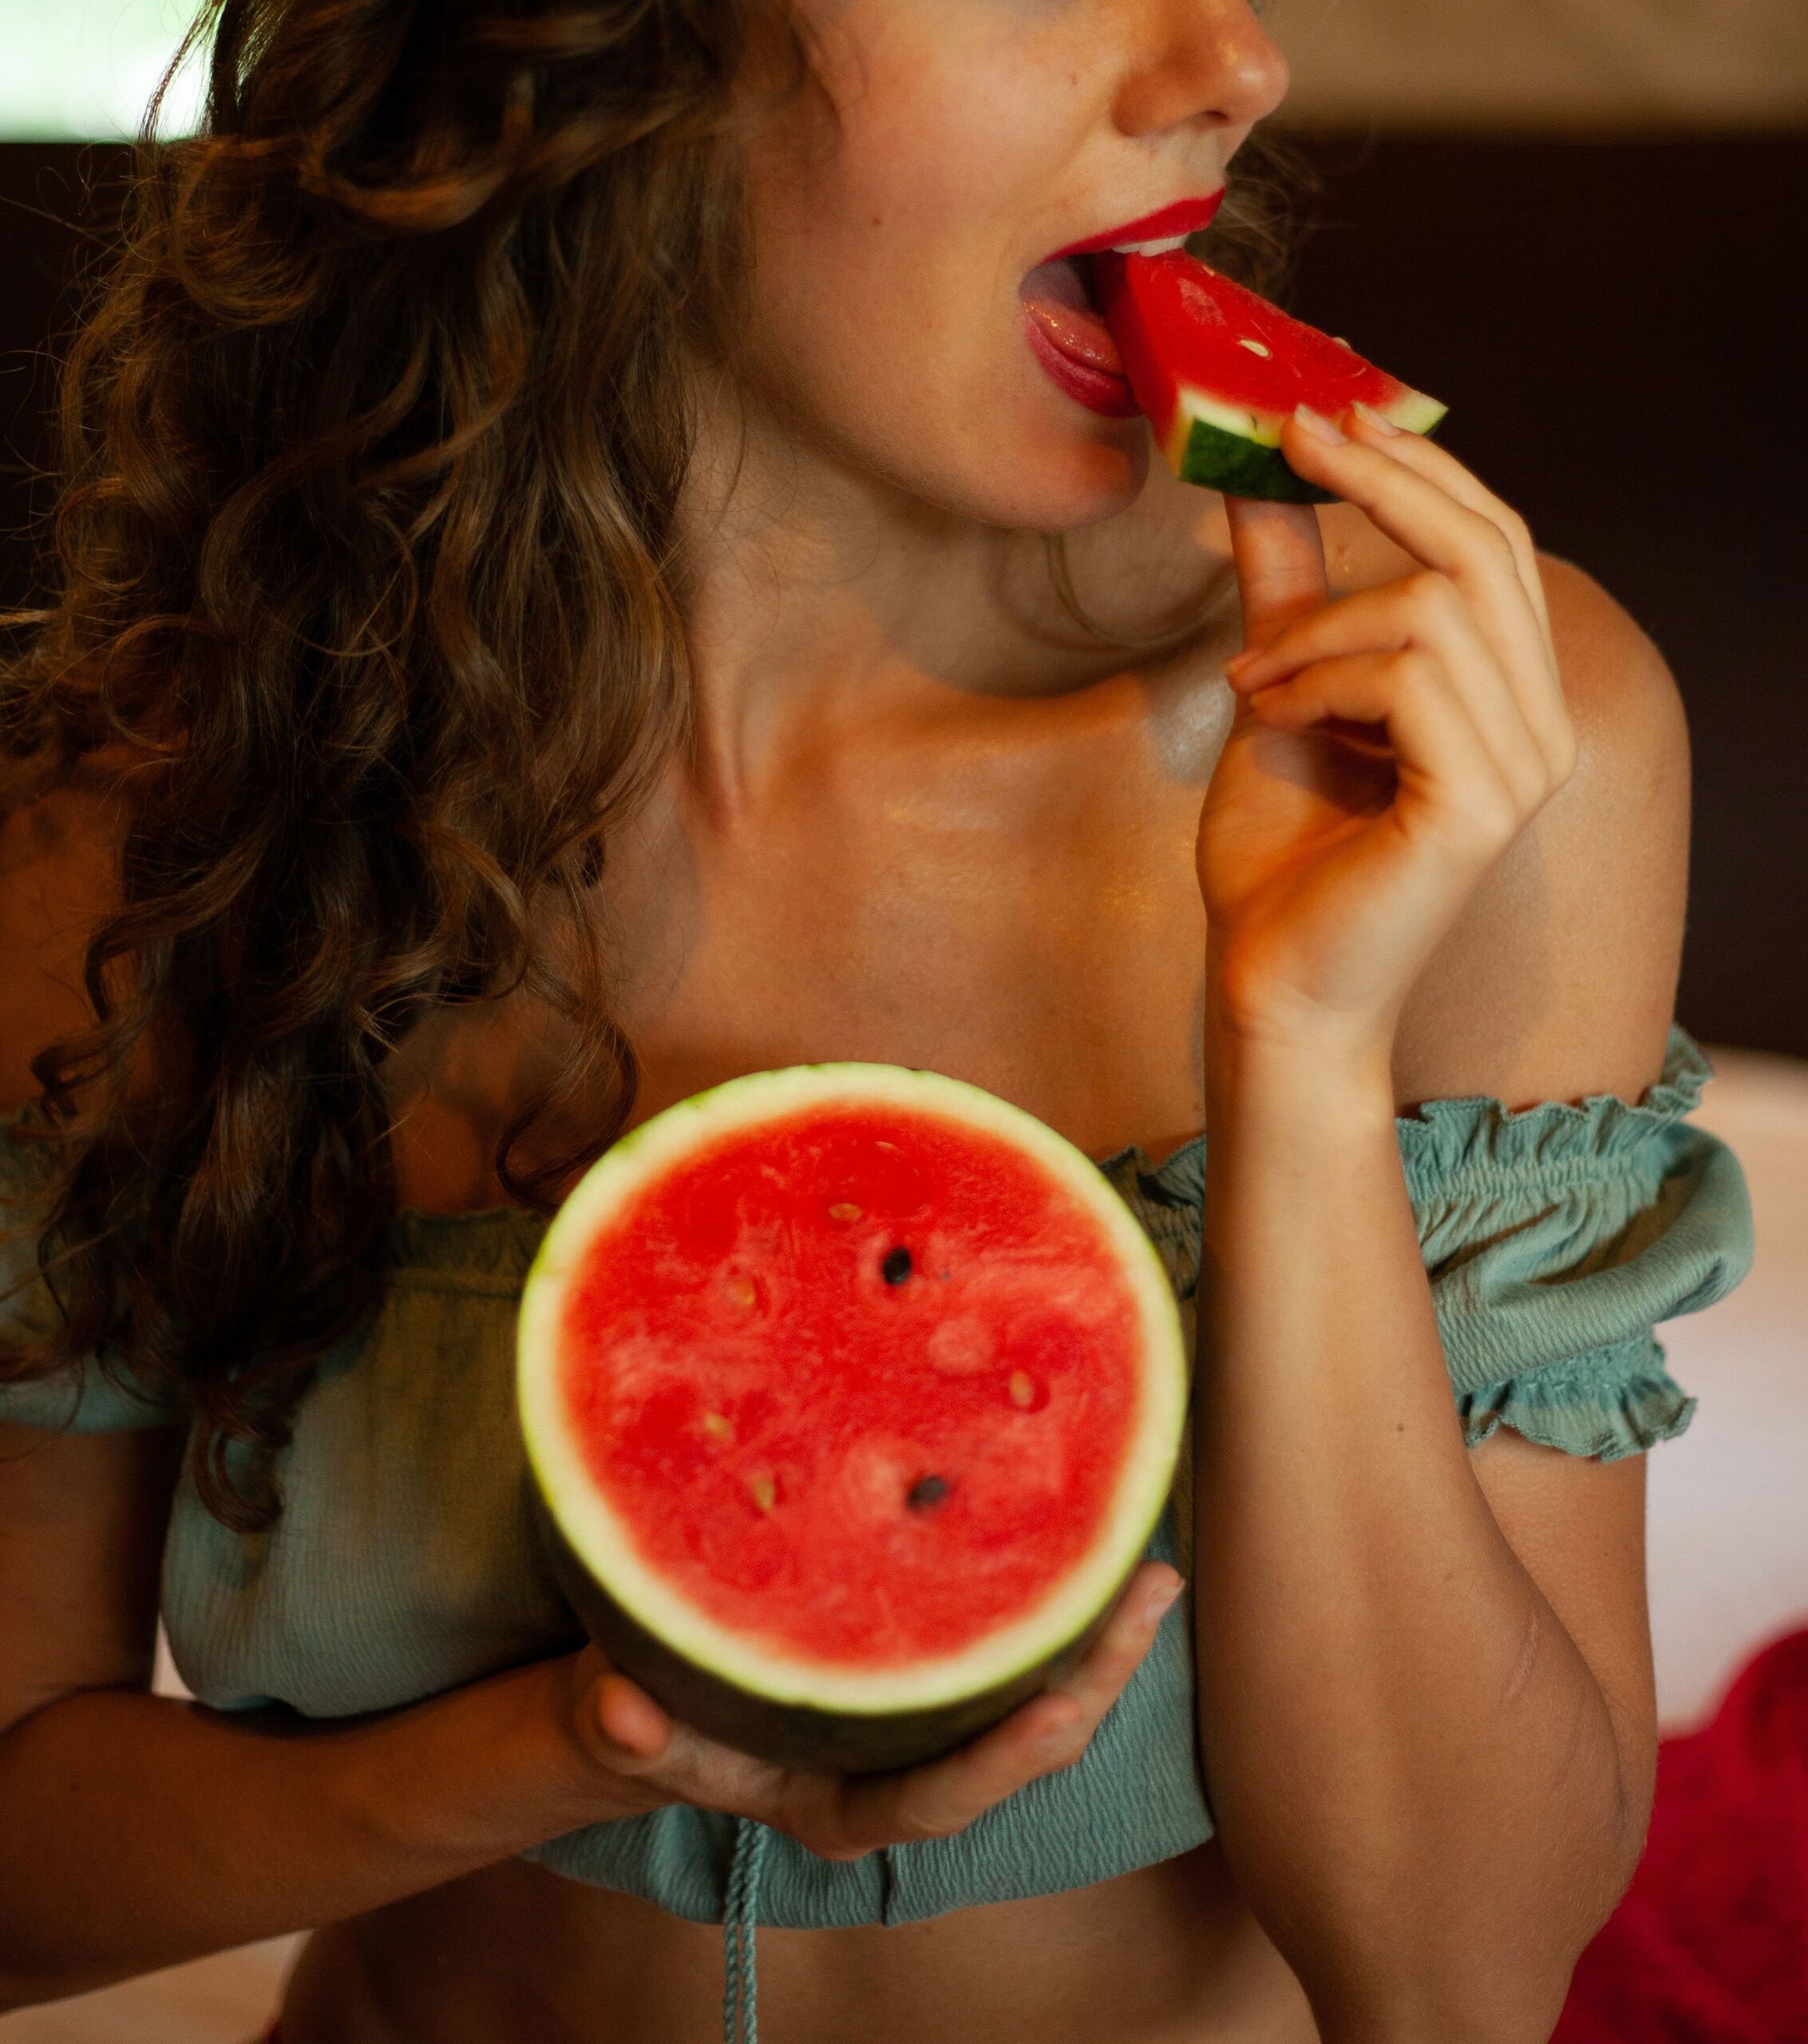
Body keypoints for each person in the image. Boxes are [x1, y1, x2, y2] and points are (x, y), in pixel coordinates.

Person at [0, 2, 1755, 2042]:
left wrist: (1297, 1045)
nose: (1234, 62)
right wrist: (575, 1743)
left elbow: (1456, 1976)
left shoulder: (1444, 739)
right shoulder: (161, 815)